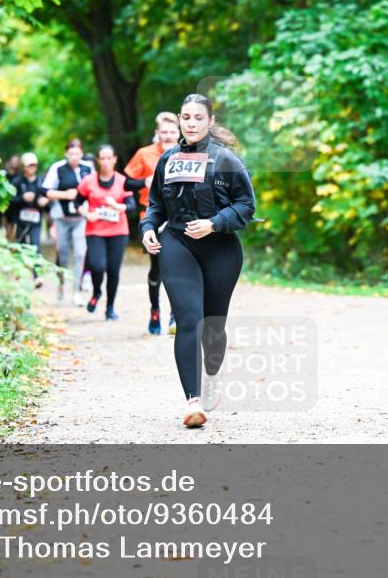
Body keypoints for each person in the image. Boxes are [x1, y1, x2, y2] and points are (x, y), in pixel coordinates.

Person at [139, 94, 256, 428]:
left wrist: (214, 223)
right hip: (178, 245)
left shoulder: (226, 160)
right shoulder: (168, 159)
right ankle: (193, 401)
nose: (191, 123)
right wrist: (149, 228)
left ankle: (213, 374)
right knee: (188, 320)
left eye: (198, 118)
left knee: (213, 324)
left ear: (210, 121)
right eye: (186, 117)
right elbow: (156, 205)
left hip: (220, 248)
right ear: (179, 119)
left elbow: (246, 207)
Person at [125, 112, 180, 335]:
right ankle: (155, 309)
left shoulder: (188, 153)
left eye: (172, 132)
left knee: (177, 267)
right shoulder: (144, 154)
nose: (167, 136)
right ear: (157, 133)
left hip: (179, 218)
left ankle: (175, 315)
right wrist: (143, 181)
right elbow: (127, 183)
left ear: (178, 133)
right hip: (152, 217)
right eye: (163, 132)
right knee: (158, 268)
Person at [77, 144, 135, 321]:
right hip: (95, 230)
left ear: (115, 159)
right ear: (98, 160)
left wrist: (119, 206)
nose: (106, 162)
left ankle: (110, 306)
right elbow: (76, 203)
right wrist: (87, 214)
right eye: (102, 158)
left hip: (118, 231)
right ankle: (96, 292)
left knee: (113, 269)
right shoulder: (88, 182)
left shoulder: (122, 181)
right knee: (97, 265)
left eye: (109, 158)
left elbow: (132, 207)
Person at [42, 139, 93, 305]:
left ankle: (76, 292)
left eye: (77, 153)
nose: (74, 157)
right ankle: (61, 285)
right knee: (62, 255)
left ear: (82, 154)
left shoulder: (88, 168)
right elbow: (45, 191)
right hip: (61, 218)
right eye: (71, 154)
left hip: (80, 219)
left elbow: (93, 189)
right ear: (66, 154)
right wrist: (65, 195)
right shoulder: (57, 168)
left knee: (80, 253)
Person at [13, 152, 50, 288]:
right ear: (24, 167)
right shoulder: (17, 182)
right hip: (21, 221)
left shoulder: (41, 182)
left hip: (36, 222)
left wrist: (44, 202)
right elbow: (10, 202)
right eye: (29, 166)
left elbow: (48, 201)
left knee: (35, 247)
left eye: (34, 165)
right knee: (20, 247)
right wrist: (22, 199)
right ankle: (19, 274)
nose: (32, 168)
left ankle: (38, 275)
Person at [2, 155, 22, 241]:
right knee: (8, 227)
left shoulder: (20, 176)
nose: (14, 164)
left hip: (16, 205)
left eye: (16, 162)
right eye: (13, 162)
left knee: (15, 228)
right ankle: (9, 242)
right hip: (6, 204)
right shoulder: (4, 175)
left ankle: (13, 244)